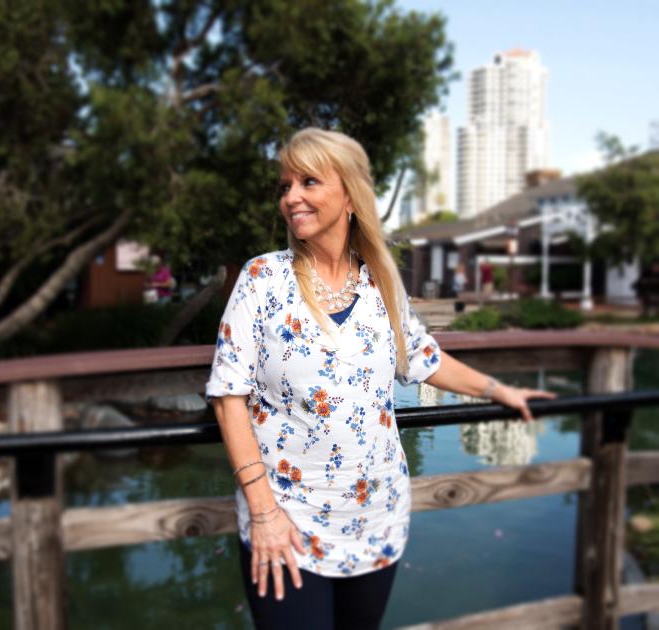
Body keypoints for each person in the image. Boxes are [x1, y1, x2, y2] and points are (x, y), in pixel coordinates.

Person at [205, 128, 555, 629]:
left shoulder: (381, 282)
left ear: (349, 194)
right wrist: (263, 513)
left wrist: (499, 390)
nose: (291, 197)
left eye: (308, 181)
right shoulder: (263, 279)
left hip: (376, 519)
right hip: (286, 523)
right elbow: (227, 395)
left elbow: (422, 357)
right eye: (284, 186)